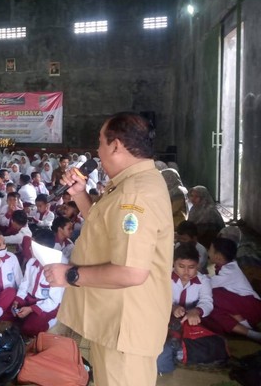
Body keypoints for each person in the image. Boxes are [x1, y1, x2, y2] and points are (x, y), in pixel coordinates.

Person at [44, 112, 174, 386]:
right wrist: (80, 193)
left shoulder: (134, 194)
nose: (97, 151)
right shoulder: (132, 184)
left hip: (126, 326)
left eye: (100, 143)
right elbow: (106, 230)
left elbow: (131, 272)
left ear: (116, 146)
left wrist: (70, 275)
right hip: (115, 320)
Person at [202, 238, 261, 342]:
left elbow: (205, 285)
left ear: (218, 257)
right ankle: (248, 332)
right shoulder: (227, 267)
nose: (208, 252)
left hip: (253, 307)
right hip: (244, 305)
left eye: (210, 250)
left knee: (211, 295)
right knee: (211, 311)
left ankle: (245, 324)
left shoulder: (229, 271)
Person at [13, 229, 65, 337]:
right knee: (11, 308)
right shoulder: (31, 263)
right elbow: (25, 283)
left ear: (42, 250)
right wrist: (18, 299)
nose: (29, 248)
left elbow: (54, 301)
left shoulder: (56, 270)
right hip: (29, 299)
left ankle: (52, 320)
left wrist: (32, 309)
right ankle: (27, 316)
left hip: (46, 305)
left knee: (29, 328)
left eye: (32, 246)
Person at [170, 242, 213, 326]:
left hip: (192, 321)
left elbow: (207, 302)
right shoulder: (165, 278)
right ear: (173, 263)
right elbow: (157, 299)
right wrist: (172, 308)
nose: (186, 271)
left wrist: (196, 311)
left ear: (197, 265)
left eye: (191, 267)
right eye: (181, 266)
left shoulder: (203, 281)